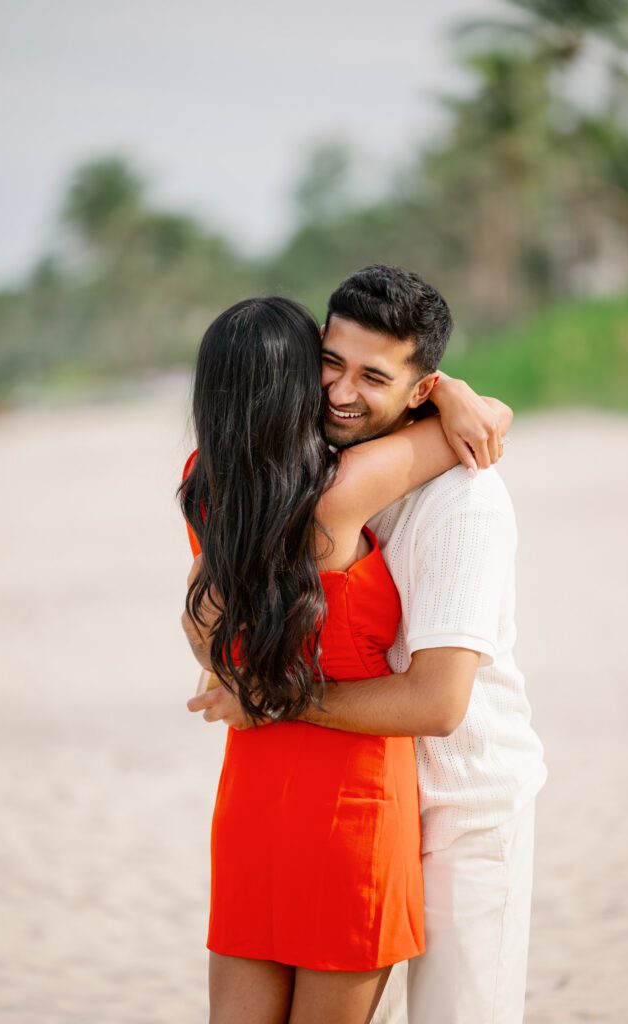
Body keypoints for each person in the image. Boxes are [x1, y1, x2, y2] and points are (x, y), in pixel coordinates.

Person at [196, 265, 547, 1024]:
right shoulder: (320, 469)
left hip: (461, 803)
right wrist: (466, 397)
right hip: (366, 792)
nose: (340, 392)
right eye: (330, 363)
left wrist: (274, 700)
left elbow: (437, 702)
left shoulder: (463, 499)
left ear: (418, 390)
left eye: (373, 376)